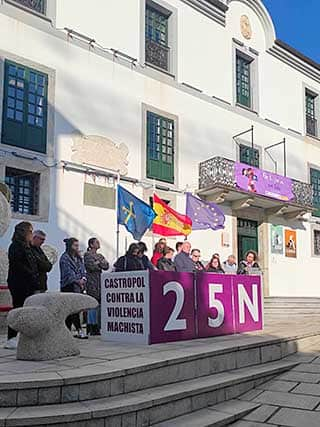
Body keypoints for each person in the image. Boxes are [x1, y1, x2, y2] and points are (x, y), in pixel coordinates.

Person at [5, 222, 40, 350]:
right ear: (24, 232)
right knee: (18, 309)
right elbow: (18, 264)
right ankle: (11, 338)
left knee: (26, 310)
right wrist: (31, 273)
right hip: (19, 283)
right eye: (30, 231)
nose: (32, 234)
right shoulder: (15, 247)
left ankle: (24, 337)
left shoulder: (28, 247)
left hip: (28, 283)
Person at [60, 238, 88, 339]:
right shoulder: (64, 258)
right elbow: (68, 273)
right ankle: (78, 329)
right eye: (75, 245)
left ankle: (67, 331)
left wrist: (83, 279)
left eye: (77, 245)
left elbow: (83, 270)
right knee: (72, 310)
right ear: (70, 246)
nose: (77, 248)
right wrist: (78, 280)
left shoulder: (78, 258)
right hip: (68, 286)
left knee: (75, 309)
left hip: (78, 287)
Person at [84, 238, 109, 336]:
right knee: (92, 304)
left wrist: (98, 262)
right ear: (91, 244)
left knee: (99, 304)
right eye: (96, 242)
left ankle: (98, 326)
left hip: (99, 281)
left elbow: (106, 265)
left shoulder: (100, 255)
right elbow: (91, 266)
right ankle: (91, 326)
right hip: (92, 282)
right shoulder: (87, 255)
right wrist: (99, 263)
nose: (99, 244)